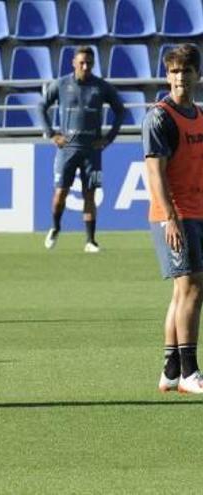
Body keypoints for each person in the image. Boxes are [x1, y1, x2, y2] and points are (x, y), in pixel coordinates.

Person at [142, 43, 203, 394]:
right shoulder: (160, 116)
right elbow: (155, 173)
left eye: (186, 71)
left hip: (196, 211)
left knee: (183, 290)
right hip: (175, 215)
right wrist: (171, 218)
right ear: (167, 75)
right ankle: (190, 372)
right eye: (174, 71)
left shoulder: (198, 114)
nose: (180, 77)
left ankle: (170, 369)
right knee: (193, 288)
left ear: (197, 75)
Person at [38, 45, 125, 253]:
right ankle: (56, 227)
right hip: (67, 150)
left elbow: (120, 111)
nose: (85, 66)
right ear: (73, 63)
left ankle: (90, 241)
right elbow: (41, 107)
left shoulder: (101, 87)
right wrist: (51, 134)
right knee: (60, 194)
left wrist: (109, 137)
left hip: (92, 151)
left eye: (89, 63)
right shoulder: (61, 84)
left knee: (90, 194)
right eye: (82, 63)